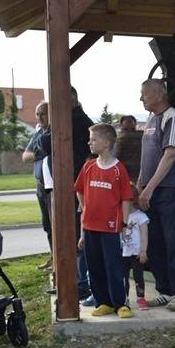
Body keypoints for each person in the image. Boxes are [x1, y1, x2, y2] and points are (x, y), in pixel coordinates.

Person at [138, 78, 175, 312]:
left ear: (159, 94)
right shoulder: (151, 120)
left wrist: (149, 188)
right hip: (150, 191)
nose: (141, 98)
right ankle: (165, 291)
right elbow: (147, 156)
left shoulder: (173, 117)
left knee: (173, 243)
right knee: (155, 243)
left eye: (144, 94)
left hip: (170, 189)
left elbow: (170, 155)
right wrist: (141, 184)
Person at [74, 123, 134, 318]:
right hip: (90, 227)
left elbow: (126, 199)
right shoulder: (88, 166)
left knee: (113, 266)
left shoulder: (118, 169)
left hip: (110, 228)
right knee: (94, 266)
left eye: (93, 139)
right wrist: (85, 210)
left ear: (106, 142)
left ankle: (120, 304)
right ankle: (103, 302)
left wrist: (123, 223)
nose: (89, 142)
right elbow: (80, 190)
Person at [71, 87, 95, 301]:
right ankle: (81, 283)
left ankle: (84, 285)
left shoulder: (77, 121)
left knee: (83, 240)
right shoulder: (77, 119)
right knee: (79, 239)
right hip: (77, 191)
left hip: (82, 191)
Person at [22, 101, 52, 270]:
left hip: (53, 187)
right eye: (37, 114)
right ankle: (53, 257)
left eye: (43, 114)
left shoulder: (54, 132)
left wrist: (39, 152)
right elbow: (25, 156)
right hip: (41, 186)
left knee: (56, 224)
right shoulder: (39, 133)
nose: (40, 118)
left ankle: (60, 259)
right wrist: (40, 153)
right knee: (47, 224)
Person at [122, 185, 150, 310]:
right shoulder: (119, 215)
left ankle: (141, 298)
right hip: (123, 253)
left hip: (136, 253)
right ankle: (124, 298)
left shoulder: (140, 216)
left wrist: (143, 251)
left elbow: (144, 235)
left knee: (138, 277)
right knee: (123, 277)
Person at [114, 114, 142, 184]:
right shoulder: (144, 137)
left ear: (120, 126)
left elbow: (115, 157)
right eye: (126, 130)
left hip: (124, 175)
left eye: (132, 130)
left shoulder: (119, 139)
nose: (128, 133)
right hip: (140, 175)